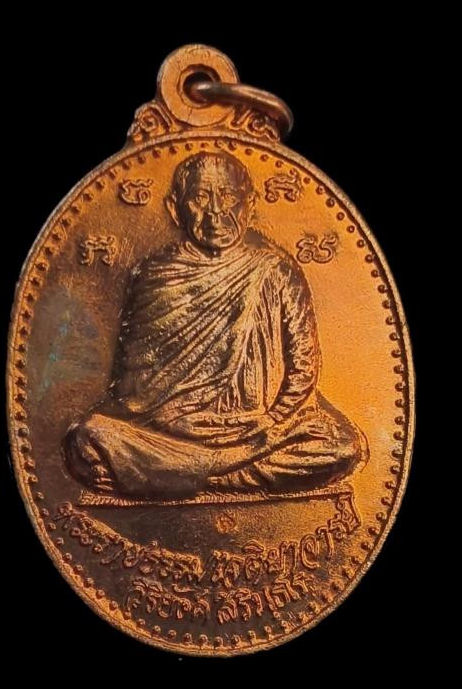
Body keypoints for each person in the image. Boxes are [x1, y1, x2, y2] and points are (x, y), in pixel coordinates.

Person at [63, 151, 367, 497]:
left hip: (257, 430)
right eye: (200, 198)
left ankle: (183, 475)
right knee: (86, 438)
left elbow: (304, 368)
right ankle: (212, 470)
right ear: (176, 208)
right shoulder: (154, 275)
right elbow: (130, 389)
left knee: (341, 447)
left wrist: (272, 421)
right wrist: (172, 420)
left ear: (249, 204)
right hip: (170, 434)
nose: (216, 212)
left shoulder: (275, 271)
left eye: (227, 196)